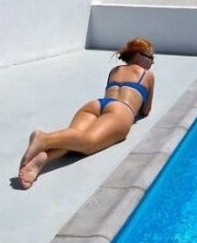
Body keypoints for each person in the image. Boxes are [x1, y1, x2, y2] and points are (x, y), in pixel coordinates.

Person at [18, 37, 155, 190]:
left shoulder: (115, 70)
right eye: (151, 58)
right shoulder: (147, 75)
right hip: (121, 109)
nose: (152, 63)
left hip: (97, 105)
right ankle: (44, 138)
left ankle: (40, 161)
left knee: (74, 138)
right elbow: (146, 110)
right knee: (89, 142)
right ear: (139, 56)